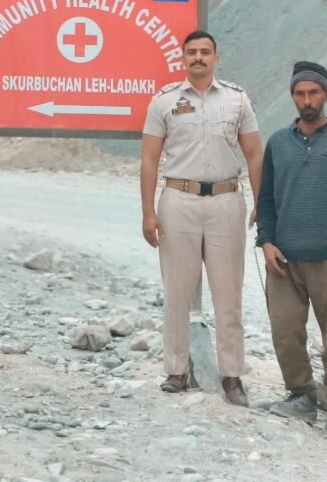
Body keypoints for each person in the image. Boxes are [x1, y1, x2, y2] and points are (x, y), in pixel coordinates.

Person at [140, 30, 263, 406]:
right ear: (182, 59)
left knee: (229, 293)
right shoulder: (164, 102)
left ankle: (231, 376)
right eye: (191, 52)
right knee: (177, 290)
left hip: (227, 198)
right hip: (178, 199)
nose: (198, 58)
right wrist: (148, 211)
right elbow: (148, 158)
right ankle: (176, 371)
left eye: (205, 52)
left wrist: (261, 203)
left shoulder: (237, 99)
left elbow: (255, 153)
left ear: (216, 58)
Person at [256, 61, 327, 443]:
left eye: (314, 93)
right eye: (300, 94)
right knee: (286, 332)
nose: (307, 100)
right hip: (284, 260)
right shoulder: (277, 143)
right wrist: (266, 241)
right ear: (293, 97)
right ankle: (301, 395)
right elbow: (267, 199)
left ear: (326, 95)